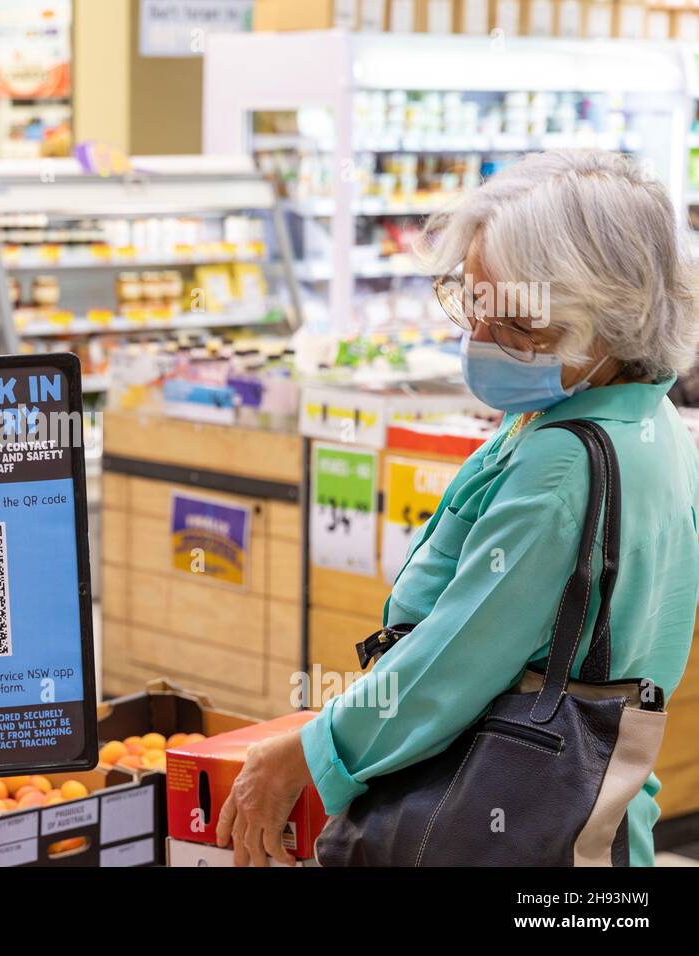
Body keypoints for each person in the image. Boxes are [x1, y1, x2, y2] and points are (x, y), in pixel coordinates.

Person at [217, 150, 699, 867]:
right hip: (596, 814)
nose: (480, 340)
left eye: (516, 324)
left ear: (609, 314)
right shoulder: (643, 419)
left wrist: (309, 753)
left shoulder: (565, 463)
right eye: (472, 304)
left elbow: (454, 665)